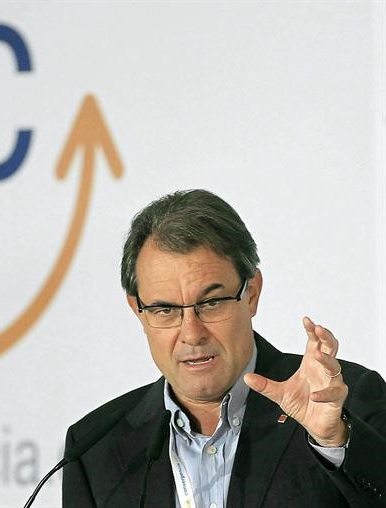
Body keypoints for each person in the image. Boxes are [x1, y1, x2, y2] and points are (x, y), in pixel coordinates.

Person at [62, 189, 386, 507]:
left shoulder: (346, 404)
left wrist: (335, 442)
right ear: (138, 310)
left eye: (212, 302)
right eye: (165, 310)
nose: (192, 334)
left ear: (252, 293)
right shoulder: (94, 449)